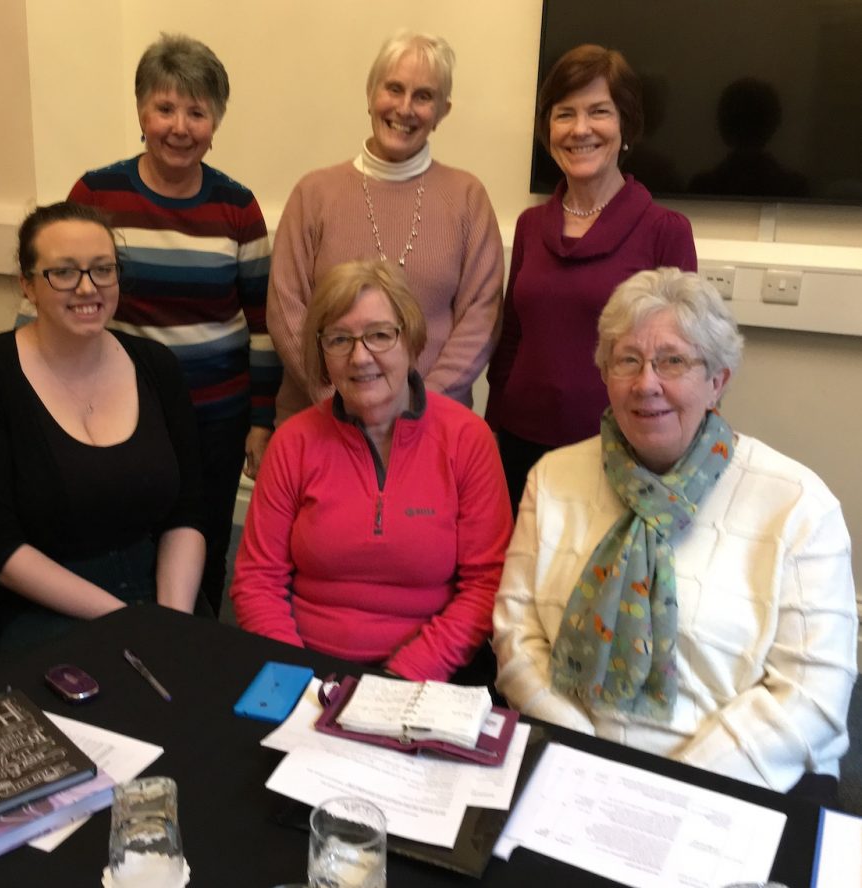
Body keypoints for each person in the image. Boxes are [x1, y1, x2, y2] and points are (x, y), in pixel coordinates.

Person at [493, 268, 857, 799]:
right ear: (605, 374)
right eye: (627, 360)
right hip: (573, 766)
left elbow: (812, 696)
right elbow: (516, 635)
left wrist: (675, 787)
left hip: (736, 780)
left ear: (718, 381)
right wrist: (582, 757)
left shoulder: (798, 504)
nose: (647, 384)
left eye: (673, 361)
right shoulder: (553, 478)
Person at [65, 33, 273, 619]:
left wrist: (262, 421)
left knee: (206, 534)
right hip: (118, 410)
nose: (180, 127)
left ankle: (196, 639)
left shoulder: (238, 207)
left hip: (216, 416)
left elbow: (264, 325)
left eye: (197, 112)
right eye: (165, 108)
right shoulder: (96, 194)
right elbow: (62, 295)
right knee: (128, 536)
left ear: (216, 122)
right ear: (141, 112)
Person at [0, 202, 204, 655]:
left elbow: (186, 511)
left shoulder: (156, 365)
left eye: (103, 269)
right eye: (63, 272)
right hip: (34, 603)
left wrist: (172, 619)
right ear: (27, 285)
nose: (87, 287)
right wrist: (130, 622)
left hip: (160, 586)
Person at [232, 261, 512, 681]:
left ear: (411, 340)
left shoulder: (468, 440)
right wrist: (298, 679)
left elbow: (486, 585)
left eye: (380, 335)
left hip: (430, 673)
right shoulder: (292, 443)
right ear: (322, 355)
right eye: (339, 339)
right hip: (306, 669)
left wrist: (401, 677)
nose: (360, 357)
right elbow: (257, 581)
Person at [485, 44, 697, 513]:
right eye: (565, 114)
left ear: (626, 125)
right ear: (548, 129)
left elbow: (683, 359)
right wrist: (492, 427)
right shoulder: (530, 226)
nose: (580, 129)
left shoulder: (665, 231)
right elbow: (513, 336)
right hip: (520, 446)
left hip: (620, 448)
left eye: (599, 111)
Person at [267, 30, 503, 425]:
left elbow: (481, 318)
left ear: (442, 112)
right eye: (394, 89)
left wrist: (418, 408)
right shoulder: (314, 193)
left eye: (423, 96)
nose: (404, 108)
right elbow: (286, 312)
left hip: (432, 424)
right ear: (370, 93)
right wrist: (346, 403)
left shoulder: (467, 197)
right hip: (321, 421)